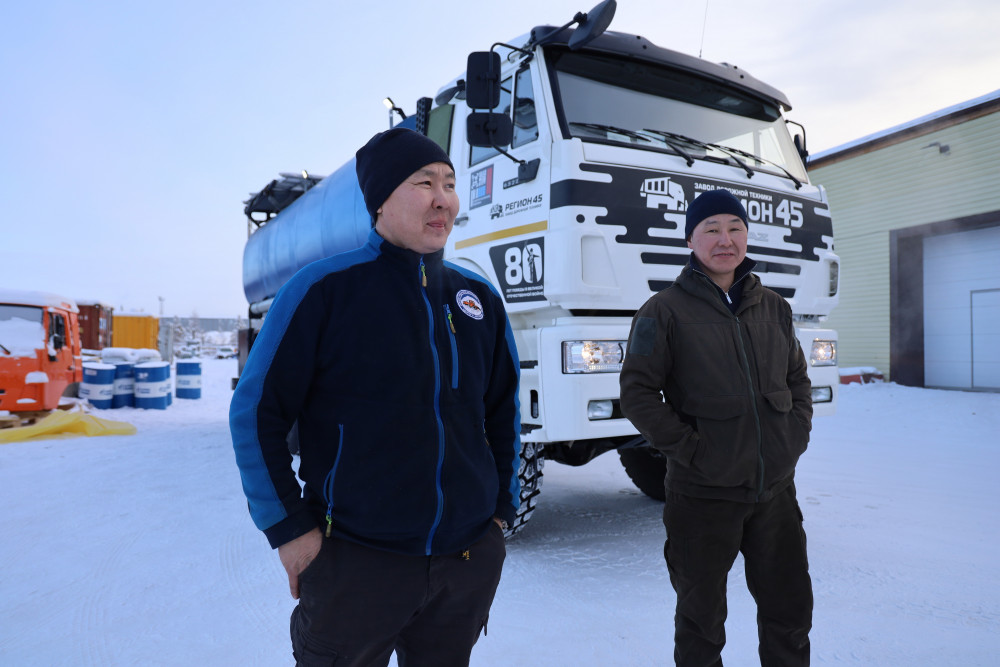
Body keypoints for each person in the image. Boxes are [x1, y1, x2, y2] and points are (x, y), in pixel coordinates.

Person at [230, 127, 522, 667]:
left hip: (465, 562)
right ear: (381, 200)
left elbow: (503, 412)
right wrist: (290, 530)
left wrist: (500, 513)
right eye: (424, 183)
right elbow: (255, 414)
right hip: (356, 563)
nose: (443, 198)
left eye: (450, 184)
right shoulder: (325, 290)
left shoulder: (477, 298)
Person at [619, 188, 813, 666]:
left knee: (790, 613)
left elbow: (797, 379)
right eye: (712, 229)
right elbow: (637, 394)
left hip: (774, 494)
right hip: (702, 497)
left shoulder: (774, 307)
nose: (725, 240)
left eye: (735, 228)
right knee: (700, 625)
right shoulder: (662, 311)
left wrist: (793, 436)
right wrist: (693, 452)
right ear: (690, 240)